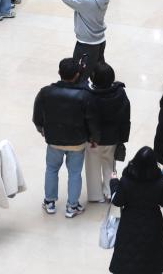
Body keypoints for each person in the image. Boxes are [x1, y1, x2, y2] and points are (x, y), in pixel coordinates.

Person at [32, 57, 100, 217]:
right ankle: (72, 206)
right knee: (74, 173)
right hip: (77, 142)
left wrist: (42, 129)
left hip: (54, 140)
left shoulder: (45, 92)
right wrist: (93, 138)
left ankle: (49, 202)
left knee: (51, 169)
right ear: (77, 74)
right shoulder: (85, 95)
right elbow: (92, 120)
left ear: (59, 72)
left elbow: (37, 116)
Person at [108, 146, 163, 274]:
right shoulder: (159, 181)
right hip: (153, 225)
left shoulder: (126, 180)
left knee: (129, 257)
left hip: (129, 225)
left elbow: (117, 201)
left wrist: (114, 182)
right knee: (152, 260)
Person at [86, 62, 131, 203]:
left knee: (92, 166)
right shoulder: (120, 92)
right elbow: (125, 117)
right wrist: (123, 138)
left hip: (93, 139)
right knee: (110, 164)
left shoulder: (88, 95)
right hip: (113, 137)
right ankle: (110, 191)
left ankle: (95, 195)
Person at [60, 0, 112, 79]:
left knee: (79, 75)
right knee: (98, 72)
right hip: (100, 41)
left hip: (86, 44)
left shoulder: (87, 0)